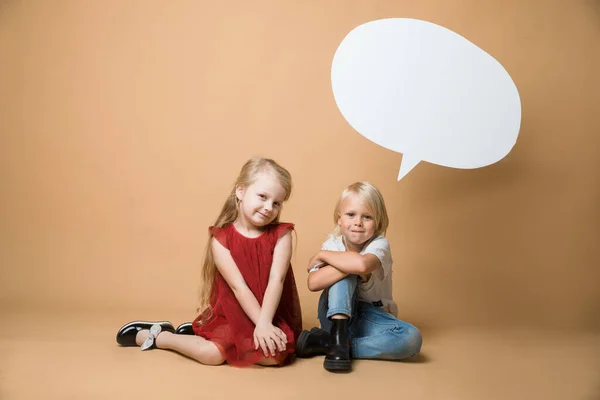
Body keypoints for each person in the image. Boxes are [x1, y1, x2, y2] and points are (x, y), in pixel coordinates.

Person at [115, 157, 302, 367]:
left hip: (268, 312)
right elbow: (238, 287)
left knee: (274, 357)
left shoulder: (281, 235)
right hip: (234, 313)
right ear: (240, 191)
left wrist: (265, 324)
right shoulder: (220, 239)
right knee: (212, 356)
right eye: (262, 197)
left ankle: (201, 334)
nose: (269, 207)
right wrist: (261, 324)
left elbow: (276, 280)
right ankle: (159, 336)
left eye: (276, 203)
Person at [296, 182, 422, 372]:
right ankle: (337, 336)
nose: (358, 222)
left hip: (370, 318)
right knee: (346, 276)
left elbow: (363, 265)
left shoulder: (379, 245)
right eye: (351, 215)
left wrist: (323, 256)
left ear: (377, 222)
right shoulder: (333, 245)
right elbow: (313, 283)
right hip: (333, 315)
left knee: (412, 339)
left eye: (367, 217)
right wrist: (347, 265)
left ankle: (330, 344)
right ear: (339, 219)